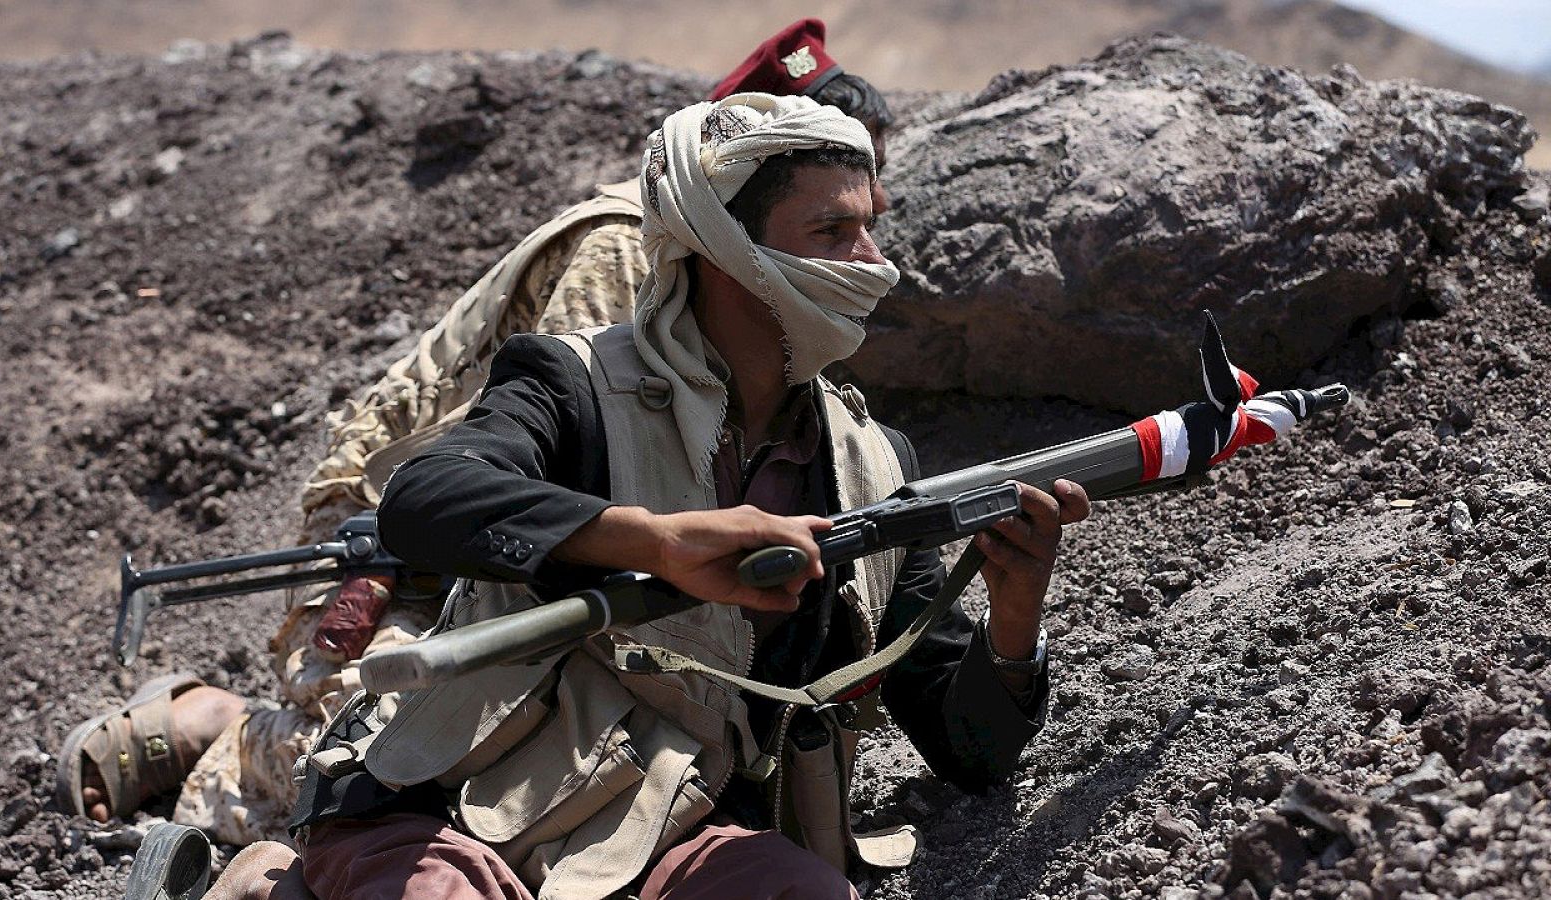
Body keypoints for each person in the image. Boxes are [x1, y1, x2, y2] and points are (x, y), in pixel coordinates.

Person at [59, 11, 900, 874]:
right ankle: (209, 731)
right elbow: (574, 452)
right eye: (828, 221)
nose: (865, 250)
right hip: (391, 523)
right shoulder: (628, 260)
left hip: (511, 527)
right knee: (386, 723)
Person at [286, 92, 1090, 899]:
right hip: (446, 804)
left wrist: (1015, 618)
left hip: (664, 836)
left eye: (869, 225)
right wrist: (650, 541)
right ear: (726, 249)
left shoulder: (872, 466)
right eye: (831, 233)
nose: (874, 261)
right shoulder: (574, 383)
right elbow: (426, 498)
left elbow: (968, 749)